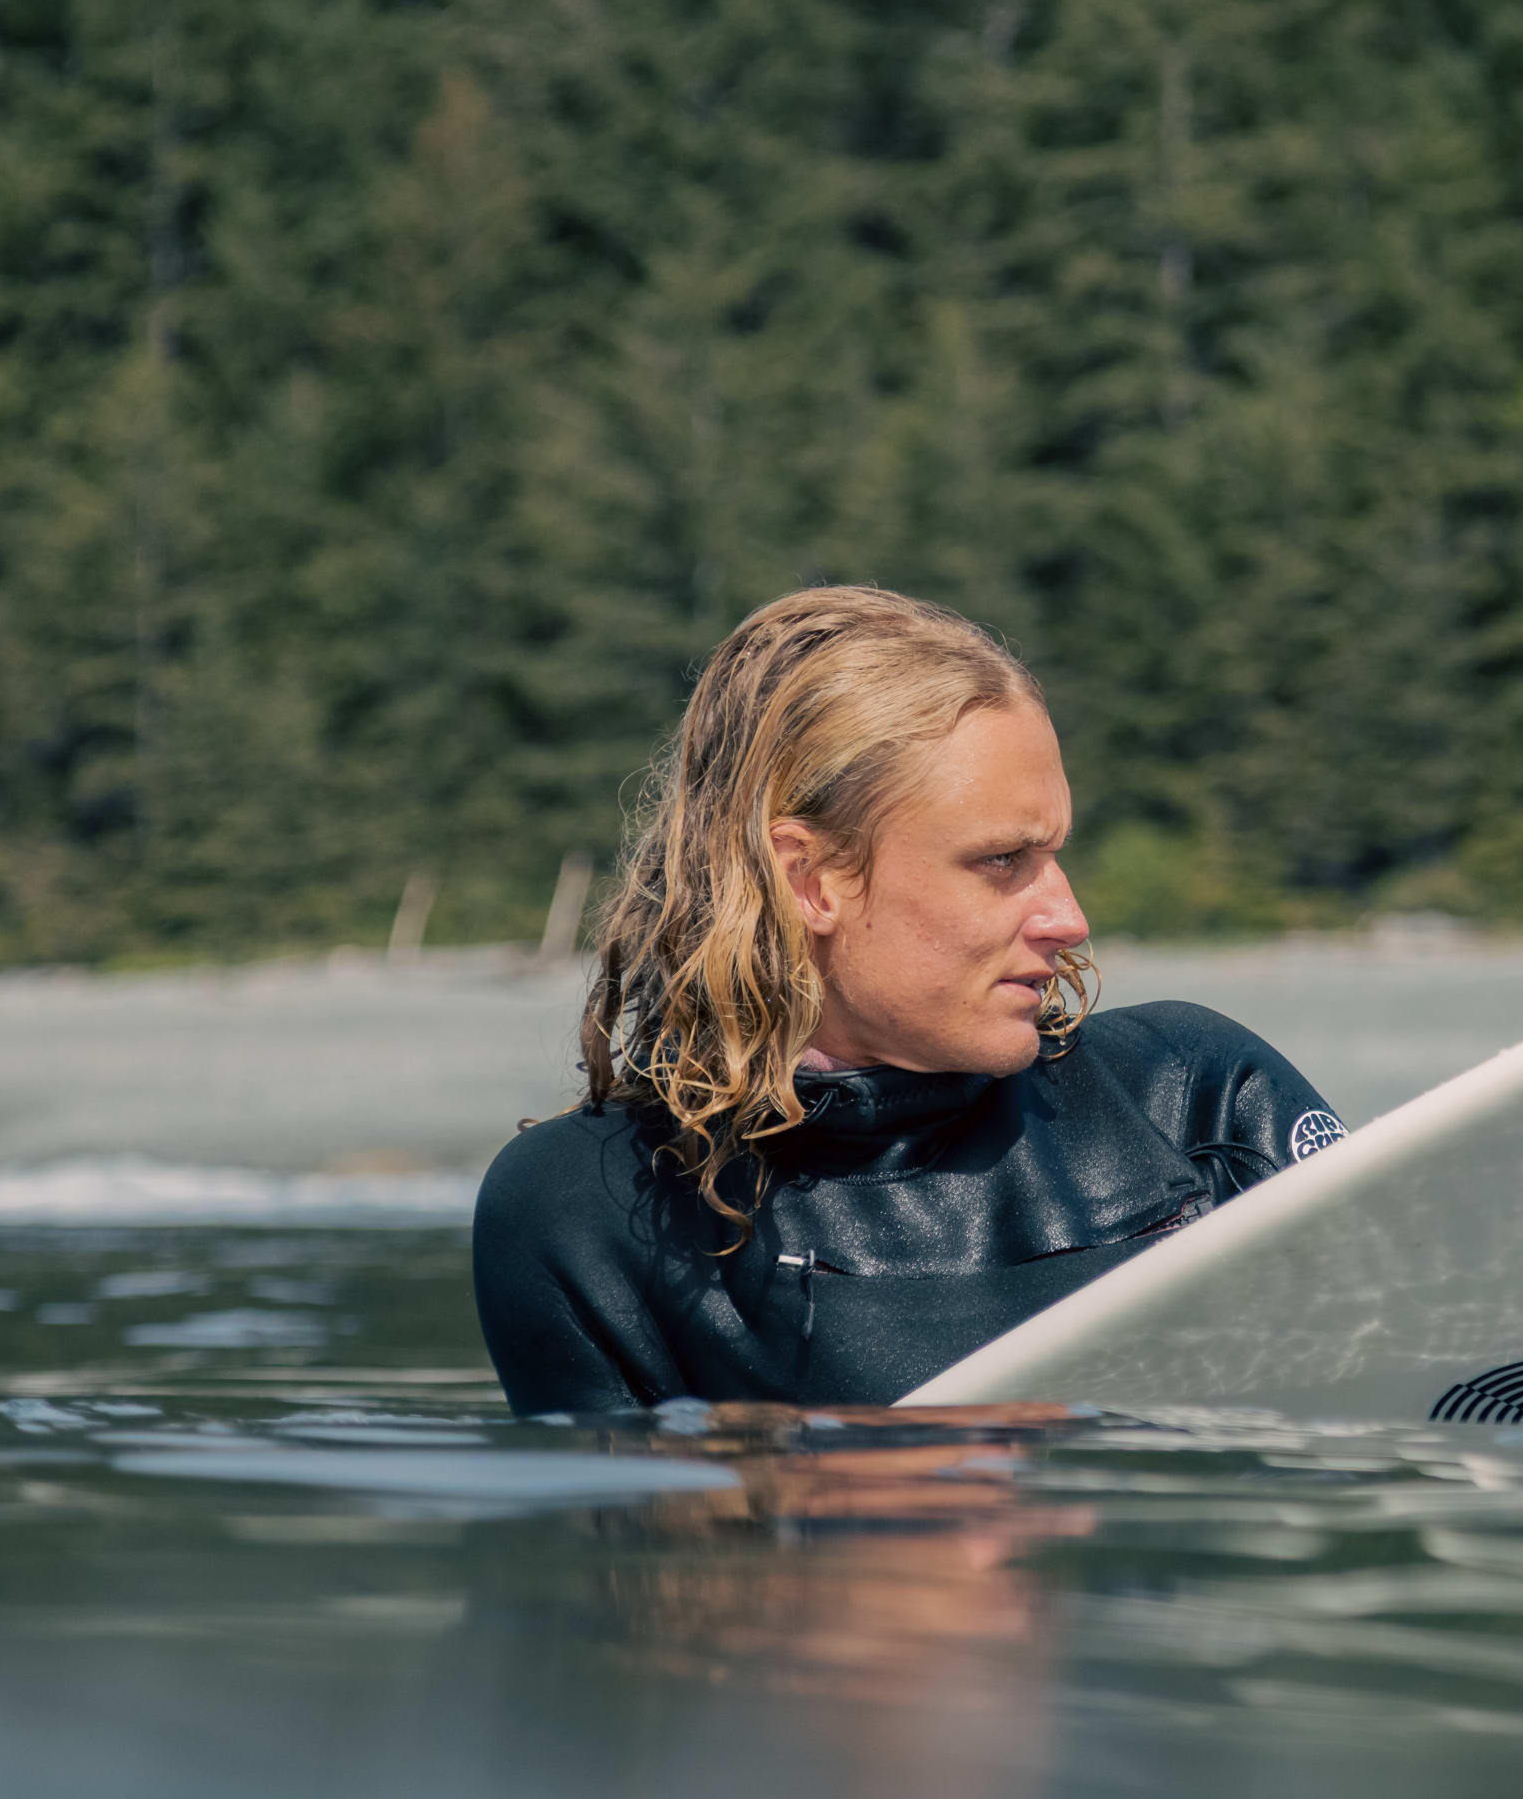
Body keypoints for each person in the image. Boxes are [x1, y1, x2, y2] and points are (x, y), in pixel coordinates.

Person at [472, 586, 1342, 1415]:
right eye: (1003, 860)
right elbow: (637, 1559)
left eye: (1055, 854)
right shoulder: (600, 1208)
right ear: (809, 880)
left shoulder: (1195, 1099)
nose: (1070, 918)